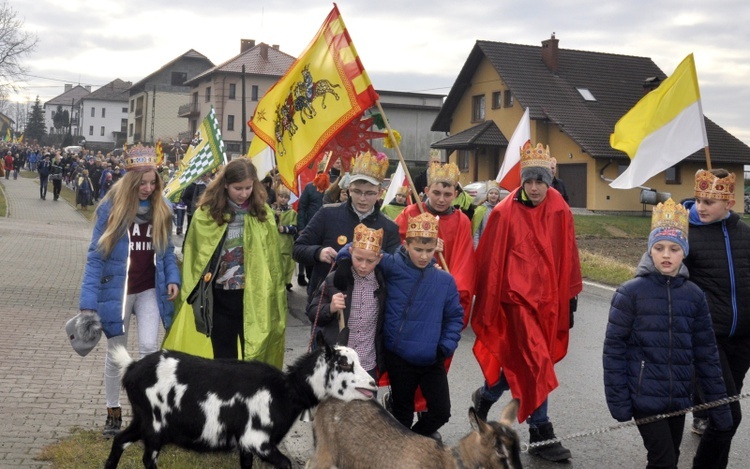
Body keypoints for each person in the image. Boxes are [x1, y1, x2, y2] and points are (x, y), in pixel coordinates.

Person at [471, 142, 582, 462]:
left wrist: (569, 299)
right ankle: (541, 432)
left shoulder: (559, 207)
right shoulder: (505, 212)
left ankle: (488, 392)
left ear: (549, 181)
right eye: (529, 181)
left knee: (520, 364)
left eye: (540, 181)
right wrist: (490, 305)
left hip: (546, 302)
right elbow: (491, 263)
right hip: (514, 303)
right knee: (535, 363)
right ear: (522, 181)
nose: (535, 188)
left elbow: (567, 254)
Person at [603, 198, 732, 469]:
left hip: (678, 397)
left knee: (669, 459)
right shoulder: (630, 294)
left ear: (683, 253)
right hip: (644, 397)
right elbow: (614, 350)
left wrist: (718, 406)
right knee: (663, 460)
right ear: (650, 251)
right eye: (659, 248)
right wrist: (619, 401)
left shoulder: (694, 296)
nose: (666, 255)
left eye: (674, 249)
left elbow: (706, 355)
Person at [78, 144, 180, 438]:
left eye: (153, 182)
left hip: (149, 290)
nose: (148, 188)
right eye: (142, 183)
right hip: (117, 293)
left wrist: (172, 277)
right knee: (116, 355)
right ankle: (113, 411)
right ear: (131, 181)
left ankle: (148, 414)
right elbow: (95, 257)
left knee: (150, 351)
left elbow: (167, 252)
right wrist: (88, 305)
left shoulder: (163, 209)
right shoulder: (112, 210)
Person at [340, 212, 463, 439]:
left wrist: (445, 347)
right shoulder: (393, 265)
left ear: (437, 246)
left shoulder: (445, 280)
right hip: (399, 357)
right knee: (403, 413)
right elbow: (362, 250)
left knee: (440, 412)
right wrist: (342, 257)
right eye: (418, 250)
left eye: (429, 250)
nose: (424, 256)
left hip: (431, 358)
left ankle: (409, 440)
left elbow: (455, 317)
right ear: (406, 245)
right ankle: (402, 448)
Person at [163, 158, 287, 366]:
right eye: (238, 188)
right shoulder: (207, 214)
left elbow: (272, 261)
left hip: (254, 298)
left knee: (255, 355)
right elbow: (194, 254)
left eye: (248, 188)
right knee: (224, 358)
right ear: (226, 185)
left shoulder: (261, 214)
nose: (244, 193)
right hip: (219, 297)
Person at [683, 169, 750, 469]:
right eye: (698, 199)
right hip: (708, 339)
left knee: (725, 416)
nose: (701, 206)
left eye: (709, 201)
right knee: (728, 416)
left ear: (730, 203)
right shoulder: (685, 233)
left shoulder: (745, 234)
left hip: (743, 339)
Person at [293, 151, 401, 302]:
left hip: (368, 307)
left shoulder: (389, 227)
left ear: (380, 193)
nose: (362, 198)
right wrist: (318, 252)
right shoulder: (327, 214)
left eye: (369, 193)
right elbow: (297, 249)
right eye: (357, 191)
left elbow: (396, 267)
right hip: (326, 301)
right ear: (349, 189)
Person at [394, 161, 476, 326]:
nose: (441, 199)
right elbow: (394, 247)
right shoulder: (411, 213)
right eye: (436, 193)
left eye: (447, 194)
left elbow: (465, 262)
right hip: (412, 288)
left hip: (443, 292)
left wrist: (452, 292)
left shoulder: (462, 221)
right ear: (426, 191)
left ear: (455, 194)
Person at [308, 224, 387, 380]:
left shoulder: (383, 284)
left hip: (366, 363)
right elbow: (312, 312)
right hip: (336, 361)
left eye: (370, 261)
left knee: (366, 403)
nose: (363, 265)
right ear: (350, 252)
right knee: (334, 404)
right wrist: (330, 308)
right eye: (358, 259)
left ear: (379, 259)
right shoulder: (334, 280)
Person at [296, 161, 330, 287]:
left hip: (327, 228)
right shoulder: (310, 188)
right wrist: (301, 227)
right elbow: (302, 208)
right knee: (311, 254)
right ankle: (311, 281)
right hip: (311, 227)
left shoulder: (332, 188)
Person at [272, 184, 298, 291]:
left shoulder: (292, 213)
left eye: (286, 197)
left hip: (286, 244)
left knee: (287, 266)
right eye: (281, 196)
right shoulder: (272, 211)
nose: (283, 199)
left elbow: (295, 228)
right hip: (275, 243)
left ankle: (286, 283)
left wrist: (285, 229)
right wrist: (275, 216)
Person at [472, 180, 503, 247]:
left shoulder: (502, 210)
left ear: (498, 196)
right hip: (484, 244)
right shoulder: (480, 210)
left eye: (496, 193)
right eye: (491, 193)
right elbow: (476, 231)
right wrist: (476, 247)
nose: (493, 195)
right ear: (487, 195)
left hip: (497, 245)